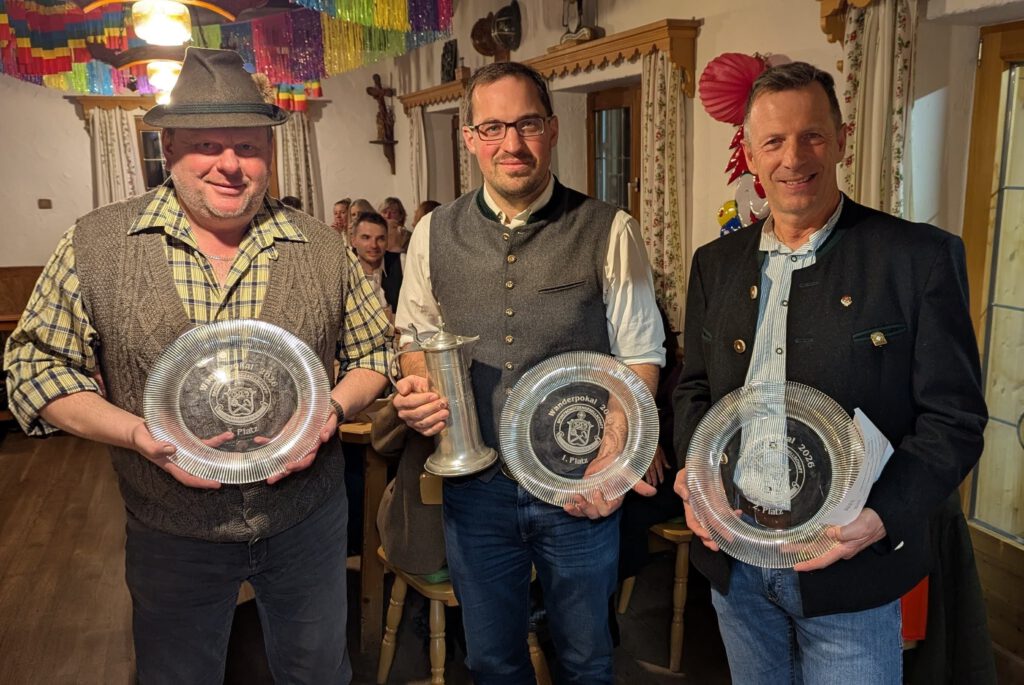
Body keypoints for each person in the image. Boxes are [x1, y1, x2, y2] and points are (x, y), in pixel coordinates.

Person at [3, 47, 391, 685]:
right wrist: (135, 434)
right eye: (208, 144)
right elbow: (35, 368)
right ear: (168, 147)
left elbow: (375, 351)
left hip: (305, 523)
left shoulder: (324, 248)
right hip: (170, 532)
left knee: (318, 671)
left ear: (271, 151)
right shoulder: (96, 244)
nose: (230, 165)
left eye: (248, 146)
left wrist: (334, 407)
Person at [672, 61, 987, 684]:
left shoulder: (917, 258)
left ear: (842, 140)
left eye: (812, 135)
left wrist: (881, 517)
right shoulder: (715, 263)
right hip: (737, 566)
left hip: (852, 570)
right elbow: (695, 390)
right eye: (773, 141)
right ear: (751, 155)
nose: (794, 158)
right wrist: (694, 476)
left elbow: (954, 420)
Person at [393, 61, 665, 684]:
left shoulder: (610, 229)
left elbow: (640, 356)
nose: (511, 144)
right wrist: (417, 386)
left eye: (527, 124)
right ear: (469, 137)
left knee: (586, 660)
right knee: (492, 660)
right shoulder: (432, 232)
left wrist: (612, 462)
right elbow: (414, 340)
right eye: (492, 128)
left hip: (579, 484)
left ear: (552, 129)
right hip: (476, 489)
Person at [351, 210, 403, 323]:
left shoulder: (402, 263)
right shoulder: (345, 272)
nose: (374, 245)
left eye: (380, 239)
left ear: (387, 241)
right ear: (353, 241)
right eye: (366, 237)